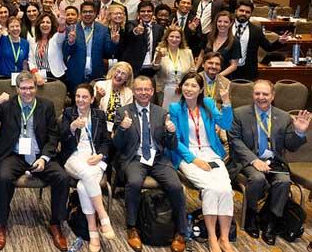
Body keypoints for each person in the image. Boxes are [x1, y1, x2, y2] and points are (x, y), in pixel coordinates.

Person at [0, 71, 70, 251]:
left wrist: (44, 158)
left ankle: (55, 223)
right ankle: (1, 223)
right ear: (17, 89)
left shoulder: (46, 106)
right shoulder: (7, 106)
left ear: (36, 88)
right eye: (23, 88)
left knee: (62, 178)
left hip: (39, 155)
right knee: (3, 177)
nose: (28, 92)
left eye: (31, 88)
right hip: (14, 155)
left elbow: (53, 136)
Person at [227, 80, 311, 245]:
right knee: (257, 179)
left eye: (265, 94)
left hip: (274, 162)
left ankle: (270, 222)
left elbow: (291, 146)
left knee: (284, 181)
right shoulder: (239, 113)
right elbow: (234, 141)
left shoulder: (283, 116)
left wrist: (299, 133)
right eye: (257, 93)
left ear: (273, 96)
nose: (261, 97)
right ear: (253, 95)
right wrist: (254, 160)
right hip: (247, 161)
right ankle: (251, 216)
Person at [113, 76, 187, 252]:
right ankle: (132, 227)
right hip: (134, 158)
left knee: (176, 186)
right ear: (133, 91)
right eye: (139, 89)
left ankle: (181, 231)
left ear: (152, 91)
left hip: (158, 159)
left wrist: (171, 133)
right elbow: (116, 145)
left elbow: (172, 145)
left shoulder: (161, 113)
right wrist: (122, 128)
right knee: (134, 183)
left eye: (147, 89)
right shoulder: (123, 111)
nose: (143, 93)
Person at [169, 72, 234, 252]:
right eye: (186, 85)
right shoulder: (175, 108)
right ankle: (212, 237)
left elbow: (227, 124)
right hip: (187, 155)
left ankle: (225, 238)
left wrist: (226, 101)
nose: (189, 89)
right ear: (181, 86)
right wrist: (194, 160)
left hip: (211, 153)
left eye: (193, 86)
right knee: (211, 189)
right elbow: (175, 141)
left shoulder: (208, 104)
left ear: (200, 90)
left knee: (226, 189)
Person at [60, 84, 114, 252]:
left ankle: (93, 232)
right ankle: (103, 216)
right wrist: (72, 127)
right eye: (77, 96)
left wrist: (100, 156)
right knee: (85, 174)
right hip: (73, 158)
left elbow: (106, 141)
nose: (80, 100)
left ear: (92, 99)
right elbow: (61, 137)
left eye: (84, 97)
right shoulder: (69, 113)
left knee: (83, 186)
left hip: (94, 158)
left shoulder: (99, 115)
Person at [63, 1, 119, 94]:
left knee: (95, 102)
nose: (87, 14)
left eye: (90, 12)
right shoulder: (72, 29)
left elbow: (109, 52)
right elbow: (65, 52)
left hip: (96, 74)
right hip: (76, 74)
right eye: (85, 12)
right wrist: (71, 42)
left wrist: (114, 42)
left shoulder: (103, 29)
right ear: (80, 14)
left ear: (95, 13)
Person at [229, 0, 290, 81]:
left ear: (251, 14)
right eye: (241, 10)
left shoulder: (256, 30)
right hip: (227, 69)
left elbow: (268, 47)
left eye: (247, 12)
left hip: (247, 71)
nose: (244, 13)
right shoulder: (227, 26)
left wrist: (279, 41)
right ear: (236, 11)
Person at [153, 26, 195, 108]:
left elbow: (192, 73)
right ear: (167, 38)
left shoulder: (187, 52)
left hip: (182, 90)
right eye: (171, 36)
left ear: (181, 39)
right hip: (164, 89)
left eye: (177, 37)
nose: (174, 39)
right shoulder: (160, 50)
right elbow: (155, 68)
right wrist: (159, 56)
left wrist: (183, 85)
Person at [120, 1, 164, 78]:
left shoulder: (158, 28)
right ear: (138, 13)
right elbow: (129, 34)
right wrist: (136, 31)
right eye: (143, 11)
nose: (146, 13)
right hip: (134, 68)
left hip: (151, 68)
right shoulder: (131, 24)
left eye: (149, 11)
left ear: (153, 13)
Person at [195, 11, 241, 77]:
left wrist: (217, 76)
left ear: (230, 24)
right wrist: (195, 70)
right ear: (216, 23)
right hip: (204, 75)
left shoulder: (235, 42)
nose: (222, 24)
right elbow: (201, 56)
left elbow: (234, 66)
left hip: (222, 76)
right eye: (219, 21)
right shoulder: (208, 36)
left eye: (226, 22)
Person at [0, 1, 29, 77]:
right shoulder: (2, 40)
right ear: (8, 29)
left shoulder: (25, 43)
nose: (15, 29)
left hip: (18, 79)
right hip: (3, 78)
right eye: (12, 26)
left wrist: (25, 77)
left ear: (20, 28)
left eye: (17, 26)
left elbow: (25, 63)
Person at [94, 62, 134, 129]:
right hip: (99, 126)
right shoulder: (100, 85)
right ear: (113, 71)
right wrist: (98, 97)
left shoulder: (129, 93)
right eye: (118, 71)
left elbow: (127, 115)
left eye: (123, 74)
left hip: (118, 128)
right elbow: (92, 108)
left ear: (127, 78)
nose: (119, 75)